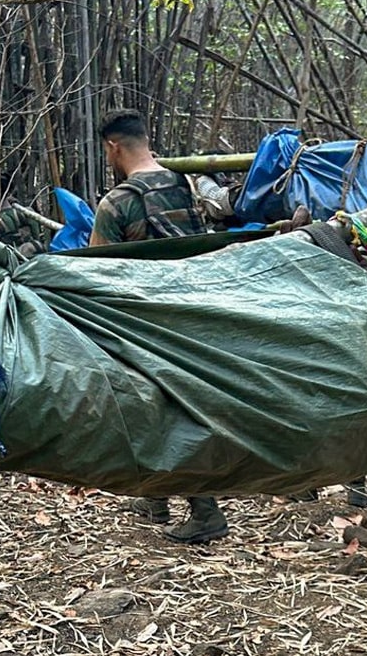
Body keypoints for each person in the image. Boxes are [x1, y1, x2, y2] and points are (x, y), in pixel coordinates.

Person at [89, 108, 228, 545]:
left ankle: (206, 512)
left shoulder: (117, 203)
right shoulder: (184, 185)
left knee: (165, 413)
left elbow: (93, 274)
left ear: (113, 147)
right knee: (158, 409)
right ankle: (156, 497)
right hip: (191, 314)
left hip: (142, 323)